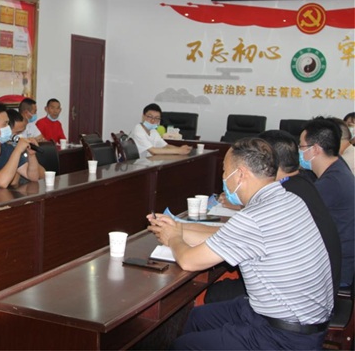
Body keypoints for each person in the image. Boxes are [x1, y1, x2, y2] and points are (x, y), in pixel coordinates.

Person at [150, 138, 333, 350]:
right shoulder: (290, 199)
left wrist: (173, 238)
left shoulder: (255, 217)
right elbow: (226, 236)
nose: (223, 178)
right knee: (200, 317)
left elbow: (189, 261)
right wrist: (177, 229)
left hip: (286, 335)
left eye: (224, 171)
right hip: (295, 317)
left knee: (182, 346)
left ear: (241, 174)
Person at [203, 130, 342, 304]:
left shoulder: (285, 194)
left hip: (296, 295)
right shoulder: (299, 182)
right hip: (316, 286)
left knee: (215, 292)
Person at [300, 117, 354, 286]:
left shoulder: (331, 183)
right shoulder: (337, 166)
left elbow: (296, 218)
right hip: (333, 259)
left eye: (301, 147)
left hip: (336, 270)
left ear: (315, 149)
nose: (299, 152)